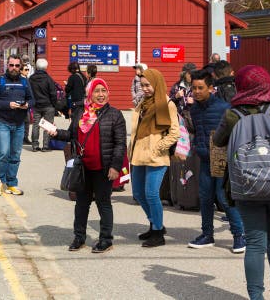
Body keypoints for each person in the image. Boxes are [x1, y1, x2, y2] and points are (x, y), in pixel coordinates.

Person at [213, 65, 270, 300]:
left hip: (246, 186)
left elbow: (219, 141)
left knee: (254, 242)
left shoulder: (233, 114)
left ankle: (256, 297)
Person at [47, 77, 126, 253]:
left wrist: (115, 167)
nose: (100, 95)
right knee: (81, 204)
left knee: (103, 203)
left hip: (104, 168)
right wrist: (55, 133)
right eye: (96, 91)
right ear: (89, 94)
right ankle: (79, 237)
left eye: (103, 91)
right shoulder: (80, 113)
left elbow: (120, 144)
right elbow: (71, 135)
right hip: (83, 167)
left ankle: (106, 239)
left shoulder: (115, 114)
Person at [186, 70, 245, 252]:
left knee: (224, 198)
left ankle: (239, 236)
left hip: (223, 160)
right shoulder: (194, 109)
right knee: (205, 198)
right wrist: (195, 146)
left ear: (211, 88)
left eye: (200, 88)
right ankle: (207, 235)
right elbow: (195, 130)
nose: (196, 91)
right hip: (204, 159)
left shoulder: (224, 107)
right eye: (193, 88)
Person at [129, 68, 180, 247]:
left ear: (157, 83)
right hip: (138, 154)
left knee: (151, 194)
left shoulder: (165, 104)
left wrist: (158, 148)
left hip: (156, 156)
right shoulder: (142, 103)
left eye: (148, 85)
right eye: (142, 85)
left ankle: (158, 232)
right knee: (137, 193)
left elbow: (174, 132)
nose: (145, 89)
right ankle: (155, 223)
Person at [0, 56, 33, 196]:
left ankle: (12, 183)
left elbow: (32, 99)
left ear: (21, 67)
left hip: (19, 124)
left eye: (17, 66)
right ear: (7, 66)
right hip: (2, 122)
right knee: (3, 153)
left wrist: (27, 105)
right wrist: (8, 105)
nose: (14, 68)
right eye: (11, 65)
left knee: (15, 154)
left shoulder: (25, 82)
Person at [29, 58, 58, 152]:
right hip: (48, 105)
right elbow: (53, 93)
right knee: (48, 126)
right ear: (46, 67)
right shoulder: (49, 79)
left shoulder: (31, 79)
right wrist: (55, 105)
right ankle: (46, 146)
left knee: (35, 125)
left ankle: (34, 145)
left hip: (36, 105)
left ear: (36, 67)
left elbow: (29, 92)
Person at [65, 62, 87, 127]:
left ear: (72, 69)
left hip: (75, 102)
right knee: (81, 120)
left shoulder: (72, 77)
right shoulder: (84, 77)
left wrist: (67, 85)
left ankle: (75, 135)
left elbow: (67, 90)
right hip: (83, 101)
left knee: (74, 121)